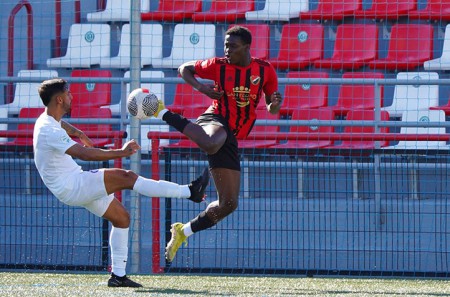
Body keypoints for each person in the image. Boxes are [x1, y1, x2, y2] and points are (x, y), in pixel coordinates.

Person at [32, 78, 210, 287]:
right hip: (73, 184)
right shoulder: (48, 130)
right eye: (69, 93)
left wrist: (79, 133)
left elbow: (61, 124)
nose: (72, 96)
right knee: (127, 177)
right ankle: (190, 192)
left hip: (71, 185)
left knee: (122, 218)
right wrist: (122, 152)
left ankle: (118, 277)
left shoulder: (47, 120)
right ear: (60, 99)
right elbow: (84, 154)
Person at [152, 25, 283, 262]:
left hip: (233, 133)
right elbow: (184, 69)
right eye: (225, 45)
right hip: (215, 118)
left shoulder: (264, 70)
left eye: (232, 46)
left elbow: (272, 108)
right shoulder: (218, 65)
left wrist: (275, 103)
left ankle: (183, 231)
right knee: (212, 142)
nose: (227, 50)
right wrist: (202, 88)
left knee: (229, 204)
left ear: (246, 47)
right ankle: (163, 113)